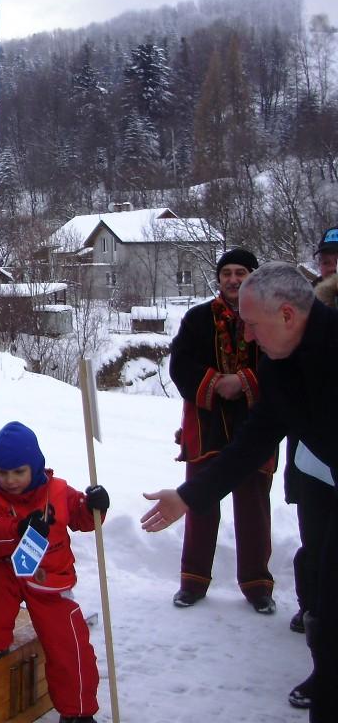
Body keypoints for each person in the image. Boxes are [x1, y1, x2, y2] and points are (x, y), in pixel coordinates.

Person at [142, 261, 338, 723]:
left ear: (287, 315)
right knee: (328, 620)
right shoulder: (279, 362)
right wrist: (189, 496)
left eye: (252, 324)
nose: (246, 336)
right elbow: (254, 440)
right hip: (326, 487)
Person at [0, 422, 108, 723]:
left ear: (35, 466)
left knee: (71, 645)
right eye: (2, 472)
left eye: (19, 472)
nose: (10, 480)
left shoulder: (57, 491)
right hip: (11, 570)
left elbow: (83, 518)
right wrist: (17, 529)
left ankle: (77, 712)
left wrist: (94, 505)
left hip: (49, 581)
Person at [167, 248, 277, 613]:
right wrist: (216, 383)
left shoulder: (269, 318)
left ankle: (257, 586)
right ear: (218, 278)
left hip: (255, 426)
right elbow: (180, 365)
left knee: (254, 509)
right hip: (206, 425)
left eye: (240, 272)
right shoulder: (198, 319)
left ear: (253, 277)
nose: (233, 279)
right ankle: (193, 582)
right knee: (200, 503)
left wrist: (244, 381)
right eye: (227, 273)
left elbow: (281, 366)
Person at [283, 226, 337, 708]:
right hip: (313, 467)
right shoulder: (305, 315)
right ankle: (323, 667)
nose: (331, 264)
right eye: (326, 256)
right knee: (316, 554)